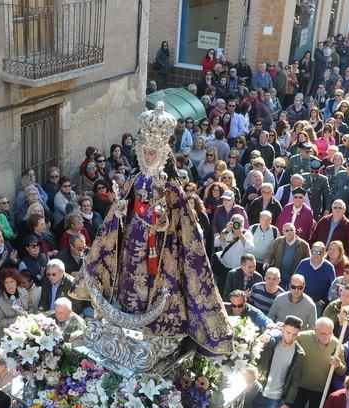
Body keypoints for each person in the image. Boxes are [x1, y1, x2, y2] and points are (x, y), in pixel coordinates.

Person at [70, 103, 232, 355]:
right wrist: (121, 211)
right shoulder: (135, 178)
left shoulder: (171, 187)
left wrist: (163, 222)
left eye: (152, 153)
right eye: (144, 152)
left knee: (154, 280)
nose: (148, 157)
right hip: (134, 236)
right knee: (130, 273)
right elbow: (123, 208)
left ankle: (156, 324)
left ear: (162, 153)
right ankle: (126, 313)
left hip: (161, 244)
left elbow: (184, 224)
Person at [279, 317, 347, 408]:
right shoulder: (303, 338)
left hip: (321, 389)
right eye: (322, 333)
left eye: (329, 333)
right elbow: (287, 343)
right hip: (301, 384)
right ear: (315, 331)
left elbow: (343, 371)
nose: (326, 336)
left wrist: (338, 365)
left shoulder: (337, 345)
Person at [258, 316, 303, 408]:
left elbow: (295, 381)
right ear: (282, 329)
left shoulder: (299, 353)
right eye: (288, 332)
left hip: (275, 396)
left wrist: (287, 403)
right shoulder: (271, 344)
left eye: (294, 334)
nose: (290, 337)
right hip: (259, 390)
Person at [265, 223, 310, 288]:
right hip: (279, 277)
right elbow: (270, 254)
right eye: (287, 231)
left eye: (291, 230)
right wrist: (267, 261)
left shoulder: (304, 245)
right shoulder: (278, 241)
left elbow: (308, 261)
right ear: (283, 232)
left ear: (295, 230)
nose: (289, 232)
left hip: (294, 278)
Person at [294, 241, 336, 312]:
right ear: (310, 251)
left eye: (319, 253)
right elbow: (294, 280)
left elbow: (332, 287)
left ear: (324, 253)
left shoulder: (329, 267)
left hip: (317, 305)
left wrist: (323, 300)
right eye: (314, 252)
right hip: (300, 301)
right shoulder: (303, 263)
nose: (316, 255)